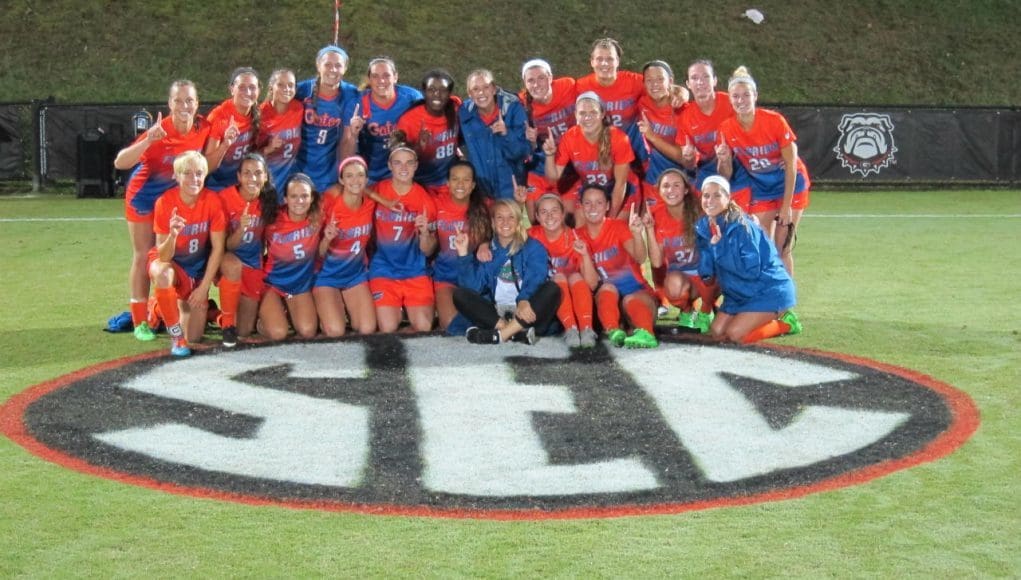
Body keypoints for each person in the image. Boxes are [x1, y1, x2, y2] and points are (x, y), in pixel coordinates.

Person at [114, 79, 211, 341]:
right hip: (144, 196)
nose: (184, 106)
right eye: (178, 101)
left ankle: (165, 307)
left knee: (172, 253)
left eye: (189, 100)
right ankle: (140, 321)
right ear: (169, 104)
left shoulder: (203, 127)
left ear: (197, 103)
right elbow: (120, 162)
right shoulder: (160, 131)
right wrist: (147, 141)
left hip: (175, 199)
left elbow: (207, 161)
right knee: (145, 255)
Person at [715, 66, 810, 275]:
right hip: (762, 187)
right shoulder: (727, 128)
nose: (741, 100)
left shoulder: (774, 121)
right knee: (763, 246)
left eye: (746, 95)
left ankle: (785, 305)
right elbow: (726, 175)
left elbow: (791, 165)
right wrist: (723, 160)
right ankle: (767, 298)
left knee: (782, 247)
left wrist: (785, 208)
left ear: (755, 95)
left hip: (790, 185)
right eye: (735, 96)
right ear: (730, 99)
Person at [696, 175, 801, 343]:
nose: (710, 200)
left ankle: (786, 324)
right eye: (706, 195)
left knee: (736, 336)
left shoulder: (743, 226)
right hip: (738, 293)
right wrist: (706, 272)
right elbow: (707, 274)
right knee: (717, 332)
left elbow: (750, 272)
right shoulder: (703, 227)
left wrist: (718, 249)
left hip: (767, 289)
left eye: (717, 195)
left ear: (728, 198)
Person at [147, 151, 227, 357]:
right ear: (176, 176)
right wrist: (172, 234)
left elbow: (218, 248)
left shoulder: (212, 201)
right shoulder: (165, 202)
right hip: (171, 264)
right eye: (187, 173)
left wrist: (203, 288)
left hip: (196, 269)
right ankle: (174, 333)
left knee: (195, 336)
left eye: (199, 173)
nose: (194, 179)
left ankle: (164, 307)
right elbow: (163, 256)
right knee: (162, 273)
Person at [454, 199, 561, 345]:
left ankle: (501, 335)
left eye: (511, 217)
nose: (505, 222)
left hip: (526, 311)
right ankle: (512, 332)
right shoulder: (489, 251)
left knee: (552, 289)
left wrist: (523, 300)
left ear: (518, 222)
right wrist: (463, 253)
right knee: (459, 295)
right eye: (500, 217)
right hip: (497, 314)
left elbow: (536, 278)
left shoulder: (533, 247)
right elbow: (472, 287)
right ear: (492, 223)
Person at [576, 184, 659, 349]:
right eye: (588, 203)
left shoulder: (618, 227)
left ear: (607, 206)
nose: (593, 207)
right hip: (608, 306)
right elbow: (592, 284)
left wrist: (636, 234)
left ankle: (646, 332)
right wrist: (585, 254)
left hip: (638, 298)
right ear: (581, 206)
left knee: (629, 299)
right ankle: (613, 330)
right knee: (607, 289)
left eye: (599, 202)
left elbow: (640, 257)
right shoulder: (577, 236)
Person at [369, 147, 438, 333]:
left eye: (409, 162)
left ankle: (406, 309)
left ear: (416, 166)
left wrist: (424, 234)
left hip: (414, 270)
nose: (403, 167)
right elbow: (357, 187)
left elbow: (429, 250)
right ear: (389, 166)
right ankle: (397, 311)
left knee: (423, 327)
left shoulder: (425, 200)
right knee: (388, 327)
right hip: (384, 270)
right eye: (398, 162)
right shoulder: (379, 189)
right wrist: (381, 200)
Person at [645, 169, 717, 333]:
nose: (671, 190)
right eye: (666, 186)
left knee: (713, 271)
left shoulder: (701, 211)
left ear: (686, 190)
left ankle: (707, 308)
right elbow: (656, 262)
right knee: (672, 286)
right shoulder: (657, 216)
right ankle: (688, 312)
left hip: (707, 274)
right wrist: (649, 229)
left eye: (676, 185)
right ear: (659, 191)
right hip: (682, 276)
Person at [543, 92, 635, 222]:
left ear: (602, 114)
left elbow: (621, 184)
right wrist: (549, 155)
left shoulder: (618, 138)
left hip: (621, 190)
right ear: (576, 115)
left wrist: (610, 218)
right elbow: (553, 177)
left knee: (616, 231)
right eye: (582, 113)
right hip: (591, 190)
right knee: (580, 227)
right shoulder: (570, 137)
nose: (587, 117)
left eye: (593, 112)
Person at [313, 156, 377, 336]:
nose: (355, 180)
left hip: (354, 275)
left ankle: (344, 307)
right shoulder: (329, 204)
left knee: (367, 328)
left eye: (359, 175)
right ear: (341, 180)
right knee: (335, 331)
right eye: (349, 176)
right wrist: (326, 239)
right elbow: (315, 253)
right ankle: (324, 309)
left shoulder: (370, 204)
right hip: (326, 275)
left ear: (366, 179)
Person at [529, 193, 599, 347]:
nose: (549, 216)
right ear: (537, 217)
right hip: (545, 300)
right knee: (559, 278)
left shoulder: (576, 237)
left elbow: (592, 284)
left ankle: (586, 328)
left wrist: (585, 255)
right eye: (544, 212)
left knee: (574, 276)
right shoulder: (530, 235)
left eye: (554, 210)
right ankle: (570, 329)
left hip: (576, 300)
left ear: (562, 214)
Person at [217, 153, 274, 343]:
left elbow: (269, 242)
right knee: (192, 334)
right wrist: (241, 229)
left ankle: (217, 315)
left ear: (265, 176)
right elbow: (224, 245)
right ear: (239, 177)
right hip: (227, 261)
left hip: (252, 263)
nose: (253, 178)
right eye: (247, 173)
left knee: (244, 331)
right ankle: (226, 323)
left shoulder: (269, 201)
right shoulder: (224, 199)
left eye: (258, 173)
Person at [341, 57, 424, 184]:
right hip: (371, 174)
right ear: (369, 79)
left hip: (404, 173)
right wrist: (353, 135)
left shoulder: (412, 98)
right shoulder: (356, 106)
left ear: (395, 77)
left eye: (386, 75)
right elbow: (345, 157)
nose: (381, 80)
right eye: (375, 76)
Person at [259, 173, 322, 341]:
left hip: (300, 285)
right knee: (279, 333)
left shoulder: (318, 218)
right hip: (272, 283)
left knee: (308, 331)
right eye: (294, 196)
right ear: (285, 198)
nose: (299, 201)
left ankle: (285, 312)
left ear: (312, 198)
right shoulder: (272, 219)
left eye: (304, 196)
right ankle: (260, 320)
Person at [432, 160, 491, 331]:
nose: (460, 184)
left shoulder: (484, 206)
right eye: (455, 179)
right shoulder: (436, 203)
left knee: (482, 322)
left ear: (473, 185)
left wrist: (485, 243)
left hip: (473, 277)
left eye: (466, 180)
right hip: (446, 276)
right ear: (448, 183)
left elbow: (504, 226)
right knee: (451, 326)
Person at [458, 69, 532, 200]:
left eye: (486, 87)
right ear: (469, 94)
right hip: (481, 189)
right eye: (475, 89)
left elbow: (524, 151)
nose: (481, 93)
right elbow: (453, 138)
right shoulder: (464, 113)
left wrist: (506, 134)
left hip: (510, 187)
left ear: (494, 89)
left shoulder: (512, 109)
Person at [295, 45, 359, 192]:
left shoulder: (351, 94)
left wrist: (344, 176)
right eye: (328, 65)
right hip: (298, 167)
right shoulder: (300, 91)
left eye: (338, 65)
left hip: (329, 171)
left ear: (345, 68)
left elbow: (347, 139)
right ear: (318, 66)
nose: (333, 70)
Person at [519, 58, 577, 217]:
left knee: (570, 219)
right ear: (525, 84)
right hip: (543, 162)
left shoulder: (568, 86)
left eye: (541, 78)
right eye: (530, 80)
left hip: (573, 162)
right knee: (536, 219)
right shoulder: (521, 104)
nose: (536, 84)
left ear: (551, 78)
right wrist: (530, 140)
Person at [393, 69, 462, 195]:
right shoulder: (409, 120)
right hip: (420, 184)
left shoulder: (456, 109)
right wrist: (419, 147)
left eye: (443, 90)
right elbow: (397, 157)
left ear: (449, 93)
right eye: (431, 90)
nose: (437, 94)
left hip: (449, 182)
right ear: (424, 92)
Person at [676, 59, 735, 192]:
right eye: (694, 78)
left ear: (714, 80)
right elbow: (689, 165)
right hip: (707, 169)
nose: (700, 82)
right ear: (688, 84)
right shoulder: (685, 117)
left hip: (739, 163)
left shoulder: (732, 102)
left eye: (706, 77)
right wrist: (688, 157)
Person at [635, 60, 686, 208]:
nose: (654, 84)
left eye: (660, 79)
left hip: (680, 171)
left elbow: (682, 157)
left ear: (670, 81)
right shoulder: (642, 103)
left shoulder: (683, 110)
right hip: (653, 169)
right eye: (649, 80)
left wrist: (652, 137)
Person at [204, 67, 260, 191]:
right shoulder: (219, 116)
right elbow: (207, 166)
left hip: (244, 184)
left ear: (259, 90)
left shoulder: (258, 114)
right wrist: (225, 144)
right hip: (216, 185)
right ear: (231, 89)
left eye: (252, 87)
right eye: (242, 87)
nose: (248, 92)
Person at [258, 68, 303, 196]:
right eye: (281, 85)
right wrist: (269, 148)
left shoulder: (298, 108)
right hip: (266, 179)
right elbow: (250, 155)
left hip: (290, 179)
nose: (286, 89)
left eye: (290, 85)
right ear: (271, 87)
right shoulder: (260, 114)